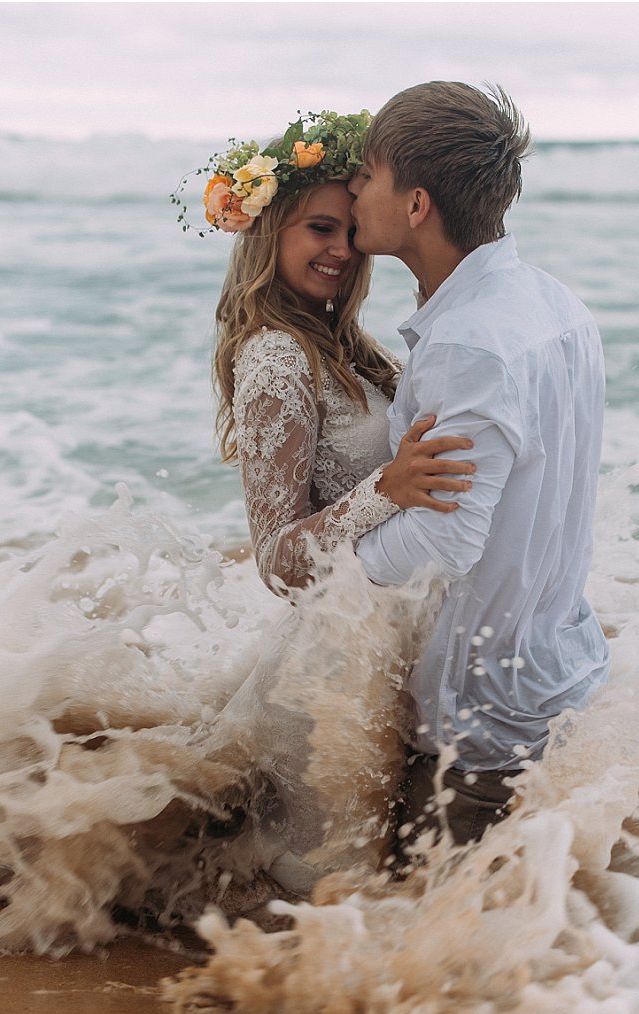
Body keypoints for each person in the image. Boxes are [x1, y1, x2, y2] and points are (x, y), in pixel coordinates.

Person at [182, 110, 475, 893]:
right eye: (318, 228)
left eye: (351, 231)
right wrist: (389, 488)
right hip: (331, 682)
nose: (341, 251)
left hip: (378, 663)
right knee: (327, 903)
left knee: (390, 897)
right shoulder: (277, 356)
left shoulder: (345, 345)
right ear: (267, 231)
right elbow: (279, 563)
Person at [347, 82, 611, 854]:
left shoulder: (471, 342)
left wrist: (327, 564)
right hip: (558, 670)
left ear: (417, 203)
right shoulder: (558, 305)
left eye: (368, 174)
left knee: (412, 959)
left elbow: (444, 541)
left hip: (481, 719)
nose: (356, 189)